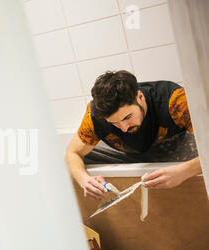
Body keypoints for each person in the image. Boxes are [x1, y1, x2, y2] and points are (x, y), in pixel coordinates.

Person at [65, 70, 201, 201]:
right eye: (114, 123)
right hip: (130, 153)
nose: (124, 128)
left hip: (177, 149)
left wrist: (185, 171)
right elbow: (72, 153)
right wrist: (85, 181)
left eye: (127, 117)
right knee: (68, 162)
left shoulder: (176, 100)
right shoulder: (94, 117)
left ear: (140, 96)